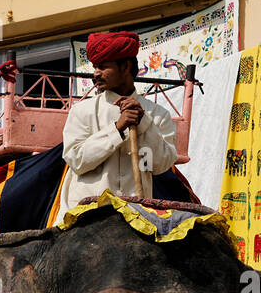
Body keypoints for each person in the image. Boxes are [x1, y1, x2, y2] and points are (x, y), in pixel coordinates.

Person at [59, 31, 178, 210]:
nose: (96, 74)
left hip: (137, 213)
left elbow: (159, 165)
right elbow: (77, 161)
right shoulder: (82, 111)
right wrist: (117, 129)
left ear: (125, 67)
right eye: (95, 68)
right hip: (88, 215)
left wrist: (144, 124)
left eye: (102, 67)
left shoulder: (157, 114)